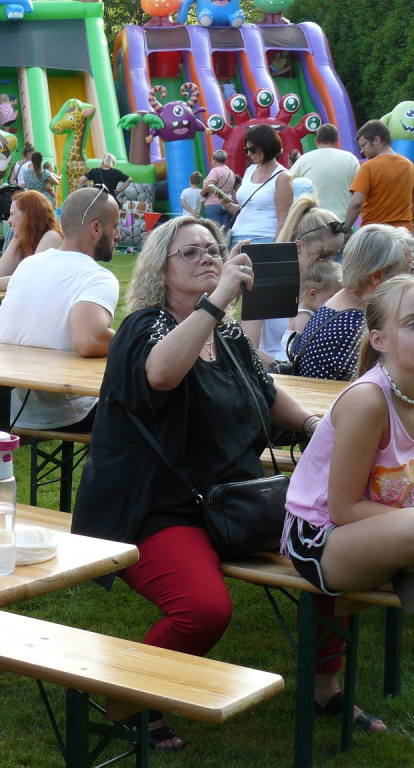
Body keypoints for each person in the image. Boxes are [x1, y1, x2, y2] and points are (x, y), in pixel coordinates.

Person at [72, 215, 318, 749]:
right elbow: (161, 374)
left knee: (332, 555)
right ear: (161, 268)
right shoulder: (145, 326)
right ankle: (127, 695)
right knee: (204, 609)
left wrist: (310, 424)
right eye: (190, 252)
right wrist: (217, 301)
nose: (207, 257)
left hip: (231, 501)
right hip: (157, 506)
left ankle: (326, 685)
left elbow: (266, 388)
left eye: (213, 249)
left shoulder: (226, 334)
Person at [280, 276, 414, 731]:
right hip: (320, 537)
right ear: (379, 340)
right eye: (413, 323)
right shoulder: (369, 401)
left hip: (383, 529)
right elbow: (342, 510)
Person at [0, 187, 120, 431]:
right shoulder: (97, 277)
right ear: (95, 229)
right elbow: (88, 340)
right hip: (63, 410)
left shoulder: (29, 264)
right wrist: (129, 341)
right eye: (114, 227)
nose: (118, 235)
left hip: (7, 405)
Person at [294, 224, 411, 380]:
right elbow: (396, 385)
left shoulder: (340, 305)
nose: (411, 279)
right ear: (378, 277)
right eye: (408, 270)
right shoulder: (356, 327)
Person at [242, 195, 345, 367]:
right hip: (271, 377)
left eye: (335, 255)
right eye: (323, 256)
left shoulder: (330, 287)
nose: (330, 263)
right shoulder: (266, 283)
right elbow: (247, 349)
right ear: (298, 246)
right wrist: (289, 371)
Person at [225, 124, 293, 249]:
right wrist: (227, 205)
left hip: (264, 239)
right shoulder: (249, 171)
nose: (249, 154)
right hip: (236, 237)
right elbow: (246, 208)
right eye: (246, 150)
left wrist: (278, 250)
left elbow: (283, 220)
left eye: (252, 149)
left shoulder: (282, 177)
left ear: (266, 146)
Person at [344, 119, 414, 233]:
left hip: (375, 234)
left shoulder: (368, 167)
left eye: (363, 145)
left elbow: (357, 203)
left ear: (377, 139)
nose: (362, 151)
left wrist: (345, 228)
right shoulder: (409, 165)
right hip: (403, 233)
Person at [289, 125, 360, 222]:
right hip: (341, 221)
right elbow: (359, 192)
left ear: (316, 141)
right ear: (337, 140)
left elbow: (287, 185)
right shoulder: (351, 159)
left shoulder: (303, 160)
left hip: (312, 221)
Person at [286, 259, 342, 348]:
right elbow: (306, 348)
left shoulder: (310, 313)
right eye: (333, 297)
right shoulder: (304, 318)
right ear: (313, 295)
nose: (338, 302)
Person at [201, 149, 235, 226]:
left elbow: (211, 185)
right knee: (224, 230)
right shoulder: (230, 172)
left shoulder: (215, 171)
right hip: (226, 203)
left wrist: (202, 193)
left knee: (213, 230)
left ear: (214, 160)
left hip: (212, 204)